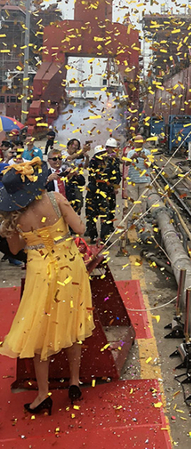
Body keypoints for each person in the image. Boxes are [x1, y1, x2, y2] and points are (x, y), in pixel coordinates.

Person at [0, 158, 94, 413]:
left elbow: (16, 249)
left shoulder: (13, 215)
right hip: (70, 265)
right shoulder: (56, 200)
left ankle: (43, 394)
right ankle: (74, 382)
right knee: (73, 321)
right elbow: (80, 228)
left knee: (40, 330)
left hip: (40, 272)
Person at [123, 134, 152, 241]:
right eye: (137, 142)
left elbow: (149, 165)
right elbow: (125, 163)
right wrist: (133, 157)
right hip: (133, 182)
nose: (138, 144)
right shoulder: (130, 152)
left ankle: (141, 220)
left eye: (140, 143)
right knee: (132, 202)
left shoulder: (147, 153)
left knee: (143, 202)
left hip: (144, 181)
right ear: (134, 143)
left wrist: (144, 158)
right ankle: (131, 222)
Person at [85, 146, 116, 241]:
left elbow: (114, 175)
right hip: (93, 191)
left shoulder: (110, 163)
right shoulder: (93, 163)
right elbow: (95, 176)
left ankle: (104, 237)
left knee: (105, 215)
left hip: (105, 192)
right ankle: (92, 236)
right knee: (91, 215)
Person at [63, 139, 89, 214]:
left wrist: (86, 157)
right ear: (68, 146)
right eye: (73, 145)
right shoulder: (63, 153)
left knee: (78, 202)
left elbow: (85, 166)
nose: (75, 147)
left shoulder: (79, 157)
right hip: (65, 181)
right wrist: (81, 152)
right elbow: (69, 158)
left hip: (76, 181)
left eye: (77, 146)